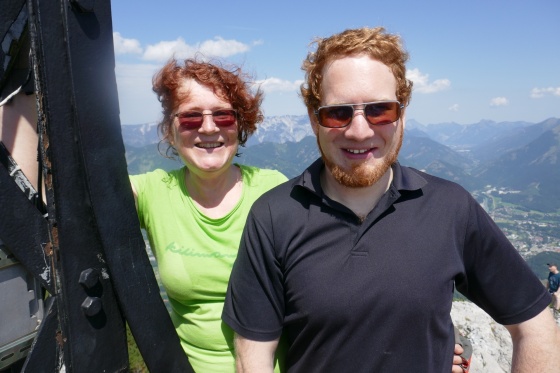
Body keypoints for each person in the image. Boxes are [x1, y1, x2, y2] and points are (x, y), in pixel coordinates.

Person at [222, 27, 560, 372]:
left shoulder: (451, 208)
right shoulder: (274, 216)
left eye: (379, 110)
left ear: (402, 114)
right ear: (313, 119)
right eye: (337, 113)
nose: (359, 130)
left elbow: (535, 325)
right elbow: (253, 357)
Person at [129, 58, 288, 372]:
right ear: (169, 130)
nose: (209, 127)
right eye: (190, 117)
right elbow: (57, 199)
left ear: (240, 125)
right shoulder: (153, 192)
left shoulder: (274, 191)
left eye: (223, 115)